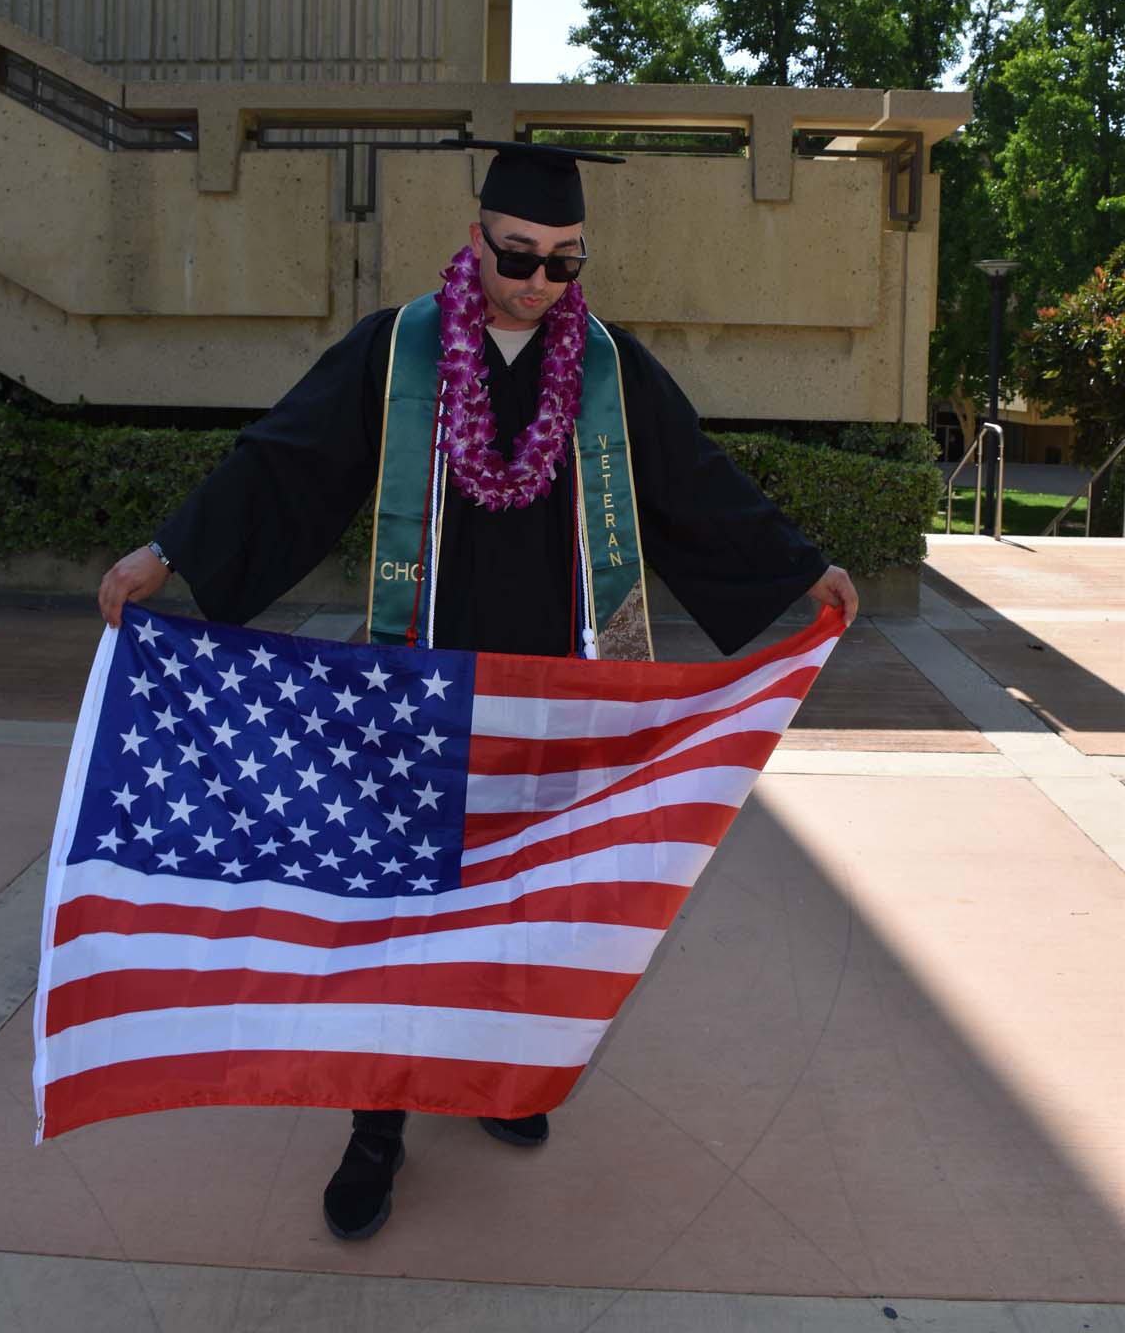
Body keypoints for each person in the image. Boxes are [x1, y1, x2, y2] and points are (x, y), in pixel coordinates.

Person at [98, 141, 858, 1241]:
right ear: (477, 238)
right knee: (404, 905)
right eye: (520, 255)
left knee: (528, 898)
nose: (541, 281)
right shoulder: (399, 348)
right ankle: (377, 1124)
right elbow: (286, 461)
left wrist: (799, 567)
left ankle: (506, 1078)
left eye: (565, 261)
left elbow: (694, 479)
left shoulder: (605, 365)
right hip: (420, 687)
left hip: (554, 690)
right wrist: (165, 552)